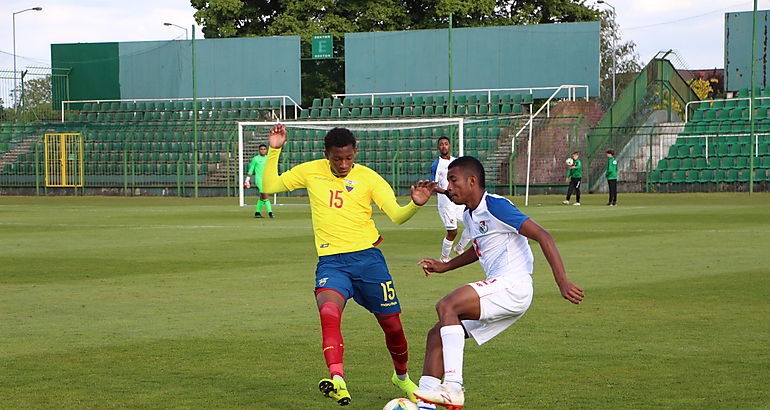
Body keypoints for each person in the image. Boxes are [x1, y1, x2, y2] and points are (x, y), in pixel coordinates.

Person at [261, 124, 437, 406]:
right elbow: (268, 186)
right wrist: (275, 149)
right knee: (329, 311)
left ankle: (401, 377)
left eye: (348, 158)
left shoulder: (369, 178)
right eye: (336, 159)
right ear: (326, 155)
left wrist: (414, 205)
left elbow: (396, 216)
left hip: (368, 261)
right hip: (332, 264)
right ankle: (337, 378)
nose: (343, 164)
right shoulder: (310, 171)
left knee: (393, 327)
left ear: (355, 153)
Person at [413, 156, 584, 410]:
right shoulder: (471, 215)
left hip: (513, 286)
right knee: (437, 334)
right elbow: (479, 248)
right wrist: (445, 266)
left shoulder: (495, 206)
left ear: (472, 181)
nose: (449, 187)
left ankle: (453, 386)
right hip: (501, 288)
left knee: (447, 305)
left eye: (453, 180)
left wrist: (562, 281)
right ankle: (425, 402)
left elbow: (543, 236)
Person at [430, 136, 471, 262]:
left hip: (458, 200)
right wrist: (446, 192)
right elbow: (433, 185)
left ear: (450, 146)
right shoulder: (437, 164)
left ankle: (459, 248)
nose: (444, 146)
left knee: (472, 224)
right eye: (441, 144)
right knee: (453, 232)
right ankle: (444, 257)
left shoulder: (456, 161)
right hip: (446, 202)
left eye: (446, 144)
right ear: (438, 147)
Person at [244, 144, 274, 218]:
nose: (263, 150)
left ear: (266, 150)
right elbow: (251, 169)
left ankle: (257, 213)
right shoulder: (255, 159)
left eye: (264, 149)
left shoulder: (268, 158)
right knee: (265, 195)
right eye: (261, 149)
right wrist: (247, 179)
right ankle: (270, 213)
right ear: (259, 150)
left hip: (267, 179)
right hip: (259, 180)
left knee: (262, 197)